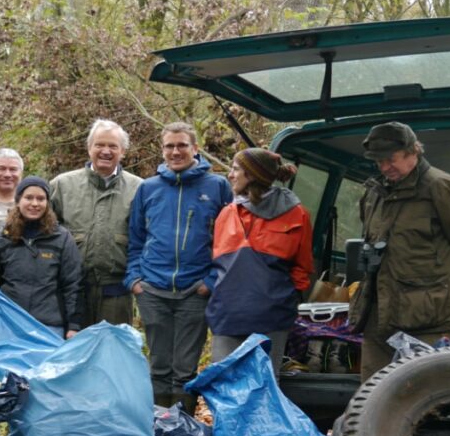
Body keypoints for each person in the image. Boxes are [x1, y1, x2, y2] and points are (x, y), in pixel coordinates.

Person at [350, 121, 450, 381]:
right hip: (378, 314)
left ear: (413, 151)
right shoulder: (374, 193)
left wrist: (443, 291)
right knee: (372, 395)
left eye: (390, 159)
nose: (384, 167)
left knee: (422, 394)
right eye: (378, 162)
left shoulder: (441, 187)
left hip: (427, 318)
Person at [125, 122, 233, 411]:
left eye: (182, 145)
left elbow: (229, 240)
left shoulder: (217, 186)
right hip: (153, 290)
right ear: (162, 151)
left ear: (195, 148)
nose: (175, 152)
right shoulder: (148, 188)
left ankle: (183, 430)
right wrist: (135, 279)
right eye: (169, 146)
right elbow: (135, 237)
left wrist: (210, 282)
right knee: (158, 367)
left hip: (194, 291)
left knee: (184, 369)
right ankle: (159, 428)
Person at [206, 149, 314, 373]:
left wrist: (285, 301)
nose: (230, 175)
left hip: (272, 318)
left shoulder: (297, 214)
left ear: (253, 175)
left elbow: (302, 268)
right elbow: (217, 265)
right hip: (227, 316)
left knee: (264, 389)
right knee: (225, 389)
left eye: (236, 169)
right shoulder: (227, 213)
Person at [51, 119, 143, 327]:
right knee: (72, 353)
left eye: (113, 146)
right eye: (100, 144)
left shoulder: (140, 189)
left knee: (112, 352)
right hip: (70, 292)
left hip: (117, 293)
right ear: (89, 148)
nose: (105, 151)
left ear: (123, 152)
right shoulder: (62, 185)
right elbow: (45, 235)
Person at [0, 176, 83, 338]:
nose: (35, 204)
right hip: (9, 324)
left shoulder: (62, 238)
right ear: (18, 200)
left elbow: (73, 284)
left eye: (40, 199)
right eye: (28, 198)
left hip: (49, 325)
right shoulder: (1, 238)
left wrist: (74, 325)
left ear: (47, 203)